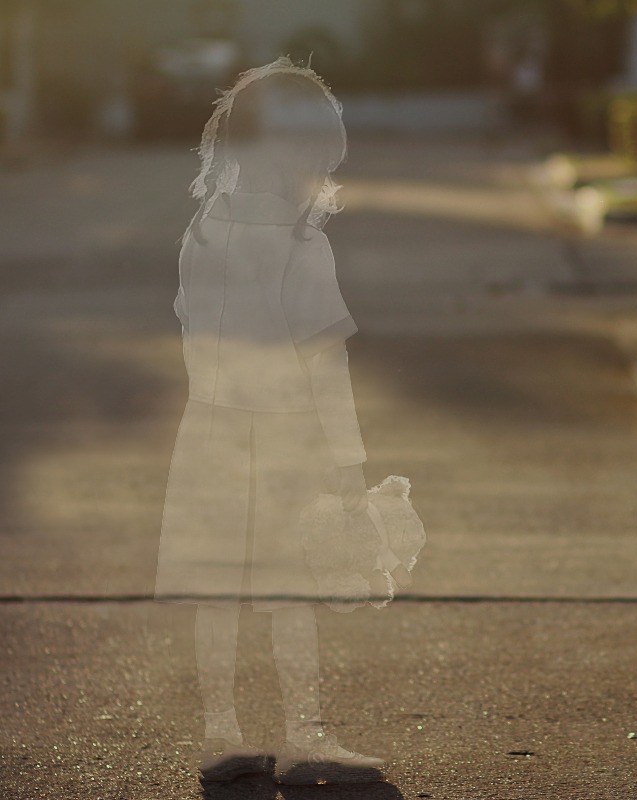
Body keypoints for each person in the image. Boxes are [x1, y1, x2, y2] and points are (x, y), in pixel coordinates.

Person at [154, 57, 382, 785]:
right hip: (285, 435)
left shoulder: (202, 232)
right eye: (318, 157)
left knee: (218, 588)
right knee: (291, 592)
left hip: (210, 429)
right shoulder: (299, 244)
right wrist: (348, 460)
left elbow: (190, 323)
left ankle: (221, 735)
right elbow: (325, 364)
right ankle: (305, 735)